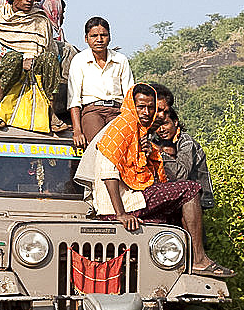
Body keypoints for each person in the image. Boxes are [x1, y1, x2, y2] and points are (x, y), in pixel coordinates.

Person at [87, 84, 233, 278]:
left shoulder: (138, 130)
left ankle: (181, 262)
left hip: (132, 197)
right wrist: (121, 214)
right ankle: (198, 260)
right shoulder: (122, 127)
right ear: (131, 105)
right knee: (190, 190)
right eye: (141, 107)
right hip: (122, 204)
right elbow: (108, 171)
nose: (146, 112)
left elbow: (140, 171)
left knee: (174, 208)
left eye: (151, 107)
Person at [0, 0, 61, 132]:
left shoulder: (40, 18)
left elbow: (52, 52)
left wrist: (36, 62)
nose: (29, 0)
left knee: (51, 58)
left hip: (35, 72)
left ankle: (52, 115)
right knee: (14, 58)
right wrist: (20, 62)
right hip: (8, 72)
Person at [67, 17, 134, 148]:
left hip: (117, 111)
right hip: (92, 111)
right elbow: (74, 98)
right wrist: (77, 131)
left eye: (103, 35)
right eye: (94, 36)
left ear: (109, 37)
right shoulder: (79, 60)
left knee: (121, 148)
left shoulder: (120, 60)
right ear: (86, 38)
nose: (99, 39)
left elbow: (129, 95)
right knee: (98, 148)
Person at [152, 107, 216, 209]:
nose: (161, 129)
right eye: (157, 126)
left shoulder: (187, 143)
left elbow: (181, 175)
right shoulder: (159, 141)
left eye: (165, 124)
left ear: (175, 122)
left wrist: (159, 153)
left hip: (198, 198)